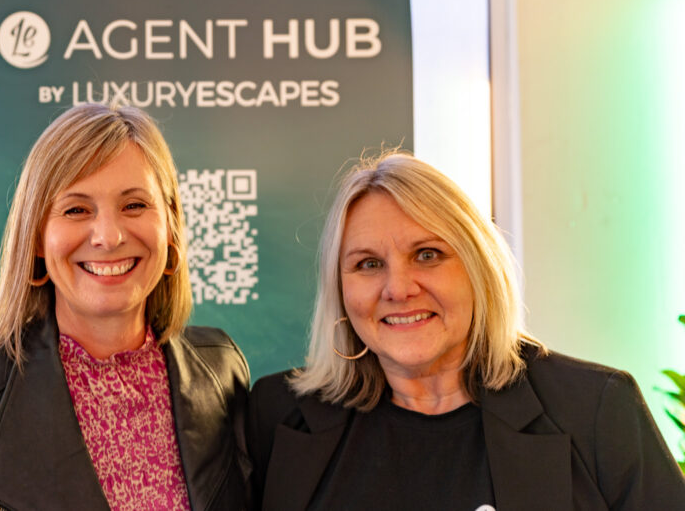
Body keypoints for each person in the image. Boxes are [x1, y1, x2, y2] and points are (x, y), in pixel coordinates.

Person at [248, 151, 685, 510]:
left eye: (427, 255)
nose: (398, 288)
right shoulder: (278, 417)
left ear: (479, 268)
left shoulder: (596, 410)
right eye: (368, 264)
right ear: (340, 290)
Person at [0, 104, 250, 510]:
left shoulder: (221, 373)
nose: (108, 236)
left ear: (171, 225)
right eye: (76, 210)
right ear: (37, 237)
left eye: (134, 205)